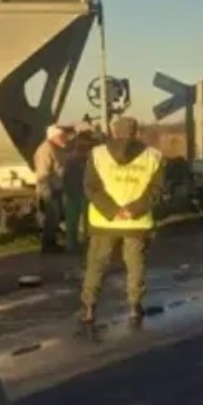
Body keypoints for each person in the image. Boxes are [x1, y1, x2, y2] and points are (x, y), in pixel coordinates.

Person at [79, 116, 165, 332]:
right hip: (136, 223)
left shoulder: (97, 155)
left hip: (104, 222)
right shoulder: (153, 156)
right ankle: (135, 306)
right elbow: (156, 190)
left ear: (113, 132)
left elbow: (91, 187)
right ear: (136, 133)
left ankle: (89, 307)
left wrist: (112, 210)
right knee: (135, 266)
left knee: (96, 266)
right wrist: (133, 209)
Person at [62, 123, 98, 253]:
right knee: (88, 218)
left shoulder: (69, 153)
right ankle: (87, 243)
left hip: (73, 189)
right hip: (83, 189)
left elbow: (65, 174)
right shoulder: (89, 154)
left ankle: (72, 244)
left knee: (73, 219)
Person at [33, 125, 70, 254]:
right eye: (62, 136)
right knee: (49, 219)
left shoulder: (58, 149)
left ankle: (52, 243)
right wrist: (46, 193)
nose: (65, 139)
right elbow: (43, 174)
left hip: (57, 188)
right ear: (55, 137)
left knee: (54, 218)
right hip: (49, 189)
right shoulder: (46, 150)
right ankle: (47, 246)